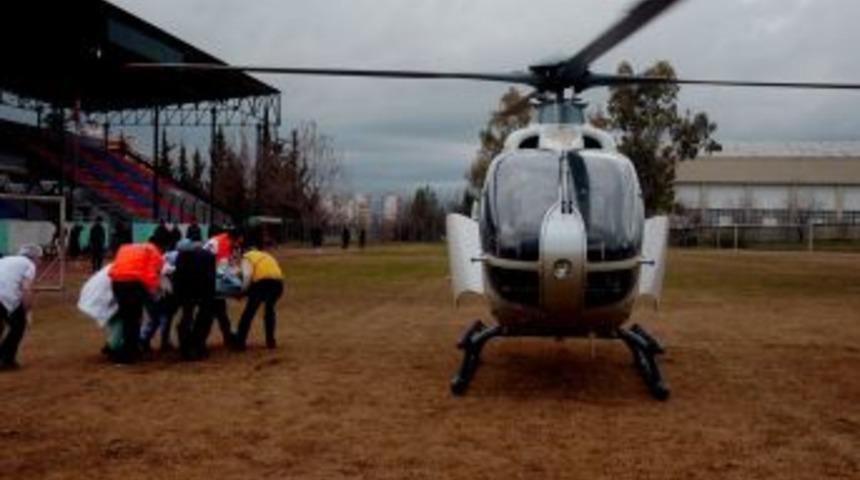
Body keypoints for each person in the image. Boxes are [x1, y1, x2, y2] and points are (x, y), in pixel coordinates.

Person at [107, 239, 164, 364]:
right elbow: (152, 275)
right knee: (132, 319)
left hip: (117, 282)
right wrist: (153, 294)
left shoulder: (127, 247)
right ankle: (128, 353)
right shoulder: (154, 252)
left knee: (129, 317)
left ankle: (130, 348)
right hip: (133, 283)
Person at [0, 245, 42, 370]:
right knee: (19, 325)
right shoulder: (29, 265)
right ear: (34, 257)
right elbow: (26, 288)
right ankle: (6, 359)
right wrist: (27, 312)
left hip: (4, 298)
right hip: (4, 298)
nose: (40, 262)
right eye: (40, 258)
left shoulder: (5, 259)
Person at [235, 244, 284, 350]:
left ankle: (240, 342)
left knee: (249, 312)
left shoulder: (247, 257)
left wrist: (242, 291)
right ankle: (270, 341)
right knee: (269, 310)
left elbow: (247, 276)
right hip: (278, 283)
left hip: (262, 283)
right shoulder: (266, 255)